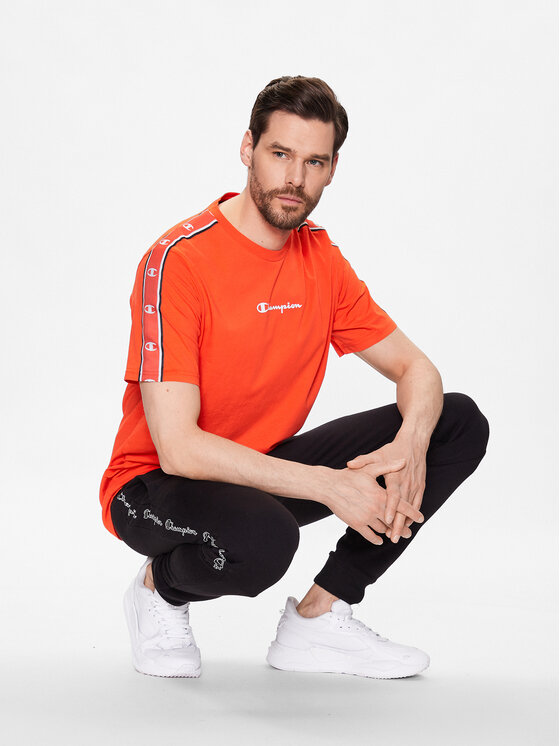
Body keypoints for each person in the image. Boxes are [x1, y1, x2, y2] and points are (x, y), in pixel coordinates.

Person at [100, 75, 489, 680]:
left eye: (314, 162)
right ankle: (159, 588)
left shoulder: (319, 259)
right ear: (247, 148)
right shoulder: (178, 260)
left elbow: (417, 369)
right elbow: (178, 448)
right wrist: (330, 487)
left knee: (454, 421)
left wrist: (411, 446)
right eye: (280, 153)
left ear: (332, 169)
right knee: (265, 540)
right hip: (154, 485)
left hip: (262, 468)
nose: (294, 179)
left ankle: (319, 617)